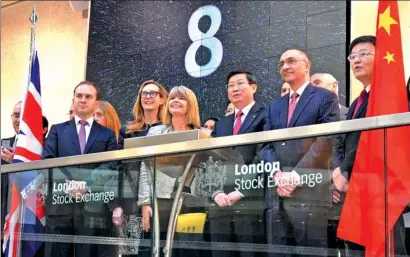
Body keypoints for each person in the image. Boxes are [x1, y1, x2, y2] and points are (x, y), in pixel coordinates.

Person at [332, 35, 408, 257]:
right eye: (352, 56)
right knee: (356, 249)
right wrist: (338, 170)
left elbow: (373, 138)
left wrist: (345, 170)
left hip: (381, 191)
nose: (356, 60)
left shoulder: (390, 94)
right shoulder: (357, 101)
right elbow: (341, 141)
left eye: (364, 54)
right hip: (353, 191)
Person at [263, 49, 340, 257]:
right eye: (281, 64)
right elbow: (265, 145)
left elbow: (326, 139)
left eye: (290, 61)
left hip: (311, 190)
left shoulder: (325, 98)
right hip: (278, 193)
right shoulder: (274, 107)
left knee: (311, 252)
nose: (285, 66)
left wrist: (295, 175)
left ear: (307, 65)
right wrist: (277, 175)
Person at [42, 81, 119, 257]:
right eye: (79, 96)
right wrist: (69, 184)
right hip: (60, 209)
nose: (83, 100)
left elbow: (112, 163)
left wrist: (86, 183)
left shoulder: (106, 134)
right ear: (73, 99)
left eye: (88, 96)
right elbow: (47, 161)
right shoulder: (57, 130)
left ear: (96, 102)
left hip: (92, 211)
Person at [137, 86, 207, 256]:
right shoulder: (155, 132)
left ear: (191, 104)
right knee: (155, 249)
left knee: (185, 251)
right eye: (173, 98)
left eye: (181, 98)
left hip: (189, 204)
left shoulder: (201, 135)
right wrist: (145, 203)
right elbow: (145, 170)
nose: (176, 101)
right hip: (159, 202)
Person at [210, 71, 267, 257]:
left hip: (250, 200)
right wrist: (215, 191)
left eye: (239, 83)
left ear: (253, 87)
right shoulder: (222, 124)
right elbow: (210, 158)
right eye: (230, 85)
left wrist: (241, 190)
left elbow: (263, 153)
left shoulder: (266, 115)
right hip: (220, 202)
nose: (234, 88)